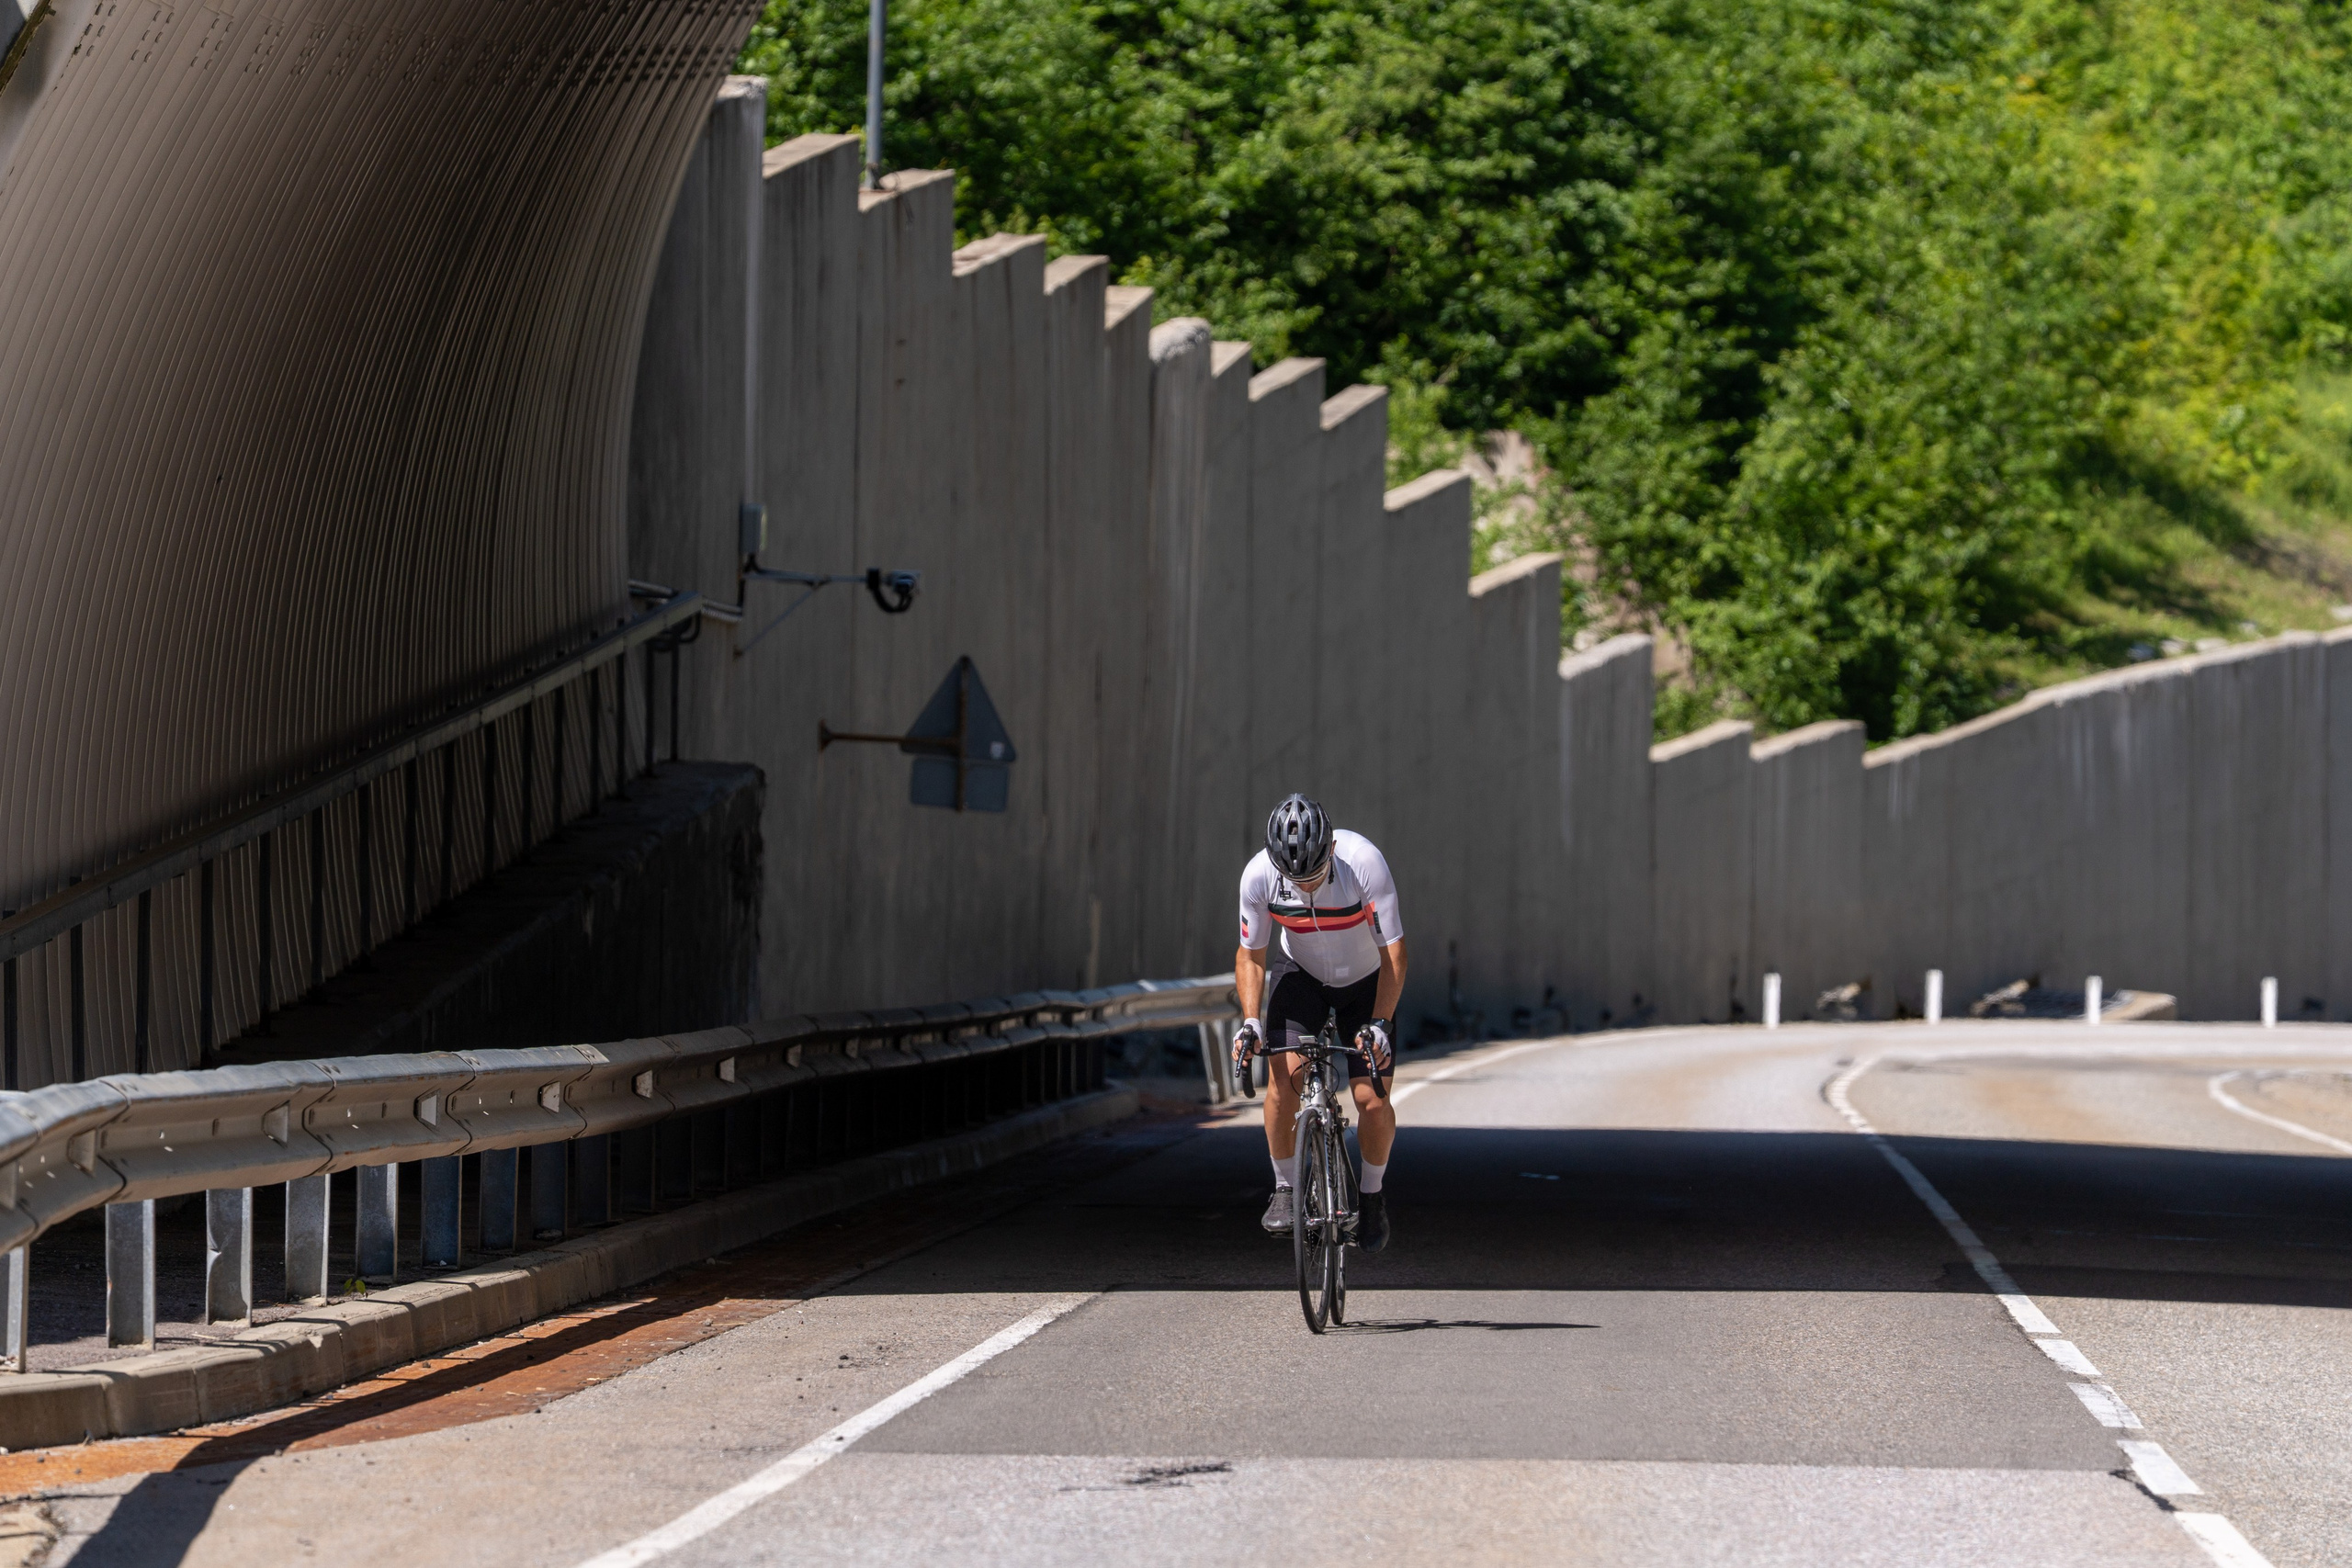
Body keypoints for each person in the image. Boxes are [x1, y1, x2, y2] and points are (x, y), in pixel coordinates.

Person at [1231, 793, 1406, 1251]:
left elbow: (1395, 954)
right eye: (1295, 879)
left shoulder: (1364, 862)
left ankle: (1371, 1196)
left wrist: (1381, 1022)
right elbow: (1251, 957)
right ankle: (1285, 1188)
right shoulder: (1258, 876)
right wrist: (1250, 1021)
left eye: (1313, 876)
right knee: (1282, 1082)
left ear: (1330, 850)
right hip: (1301, 976)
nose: (1305, 887)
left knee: (1370, 1098)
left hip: (1366, 982)